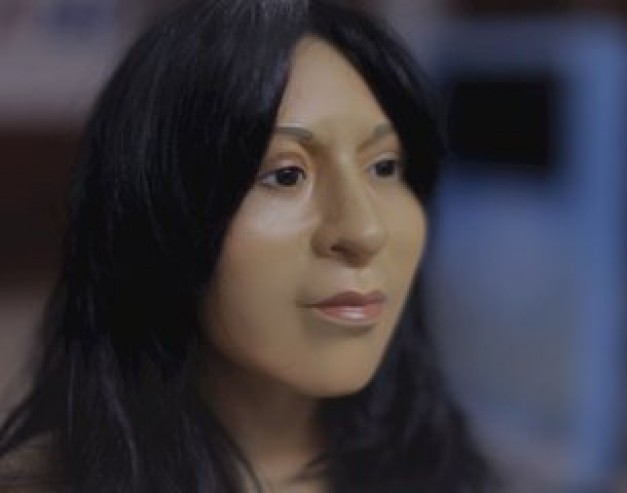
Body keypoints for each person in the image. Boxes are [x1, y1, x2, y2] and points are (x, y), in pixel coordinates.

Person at [0, 0, 498, 491]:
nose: (364, 231)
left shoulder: (444, 463)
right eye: (286, 175)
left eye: (384, 167)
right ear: (158, 214)